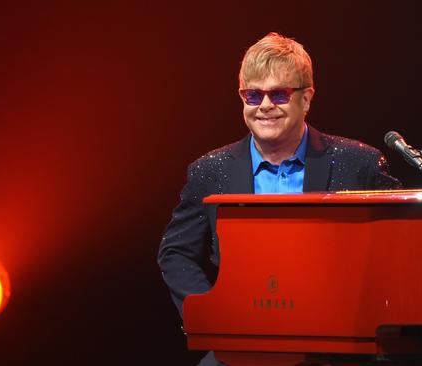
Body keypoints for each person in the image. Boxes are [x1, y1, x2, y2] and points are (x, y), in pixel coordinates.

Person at [157, 32, 402, 366]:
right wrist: (213, 312)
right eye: (253, 95)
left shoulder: (357, 163)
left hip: (339, 344)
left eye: (280, 94)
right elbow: (175, 253)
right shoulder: (209, 171)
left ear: (307, 98)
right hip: (245, 342)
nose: (265, 106)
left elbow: (398, 249)